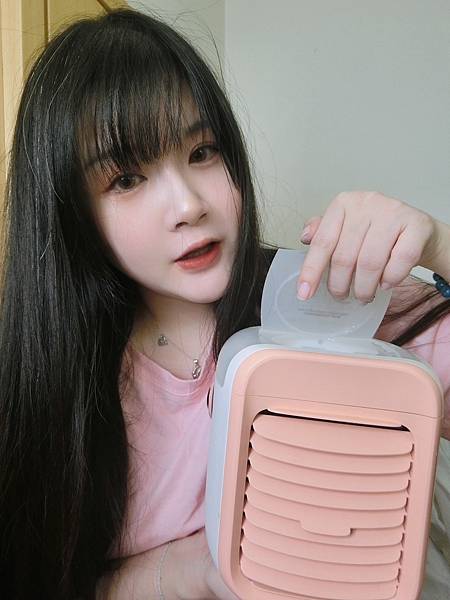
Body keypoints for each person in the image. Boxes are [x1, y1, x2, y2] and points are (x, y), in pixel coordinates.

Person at [0, 7, 448, 600]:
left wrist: (439, 245)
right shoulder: (48, 381)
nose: (188, 205)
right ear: (72, 211)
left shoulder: (333, 307)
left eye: (202, 152)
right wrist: (191, 569)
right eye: (127, 179)